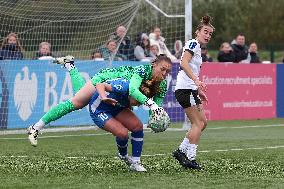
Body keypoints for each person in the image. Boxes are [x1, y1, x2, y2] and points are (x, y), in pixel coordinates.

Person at [28, 54, 172, 147]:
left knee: (82, 96)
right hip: (105, 79)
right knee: (77, 102)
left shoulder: (163, 84)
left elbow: (156, 108)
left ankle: (70, 65)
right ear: (154, 64)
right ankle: (35, 127)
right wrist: (151, 104)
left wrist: (155, 119)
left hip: (119, 94)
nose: (164, 74)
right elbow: (133, 90)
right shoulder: (142, 70)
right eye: (162, 69)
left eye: (168, 72)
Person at [172, 15, 214, 170]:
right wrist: (196, 81)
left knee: (203, 123)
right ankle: (190, 158)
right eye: (205, 31)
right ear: (198, 31)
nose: (208, 35)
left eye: (210, 33)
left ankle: (181, 151)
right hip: (185, 89)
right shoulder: (193, 43)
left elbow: (191, 67)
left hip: (190, 89)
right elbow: (183, 63)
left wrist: (198, 90)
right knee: (198, 123)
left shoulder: (197, 48)